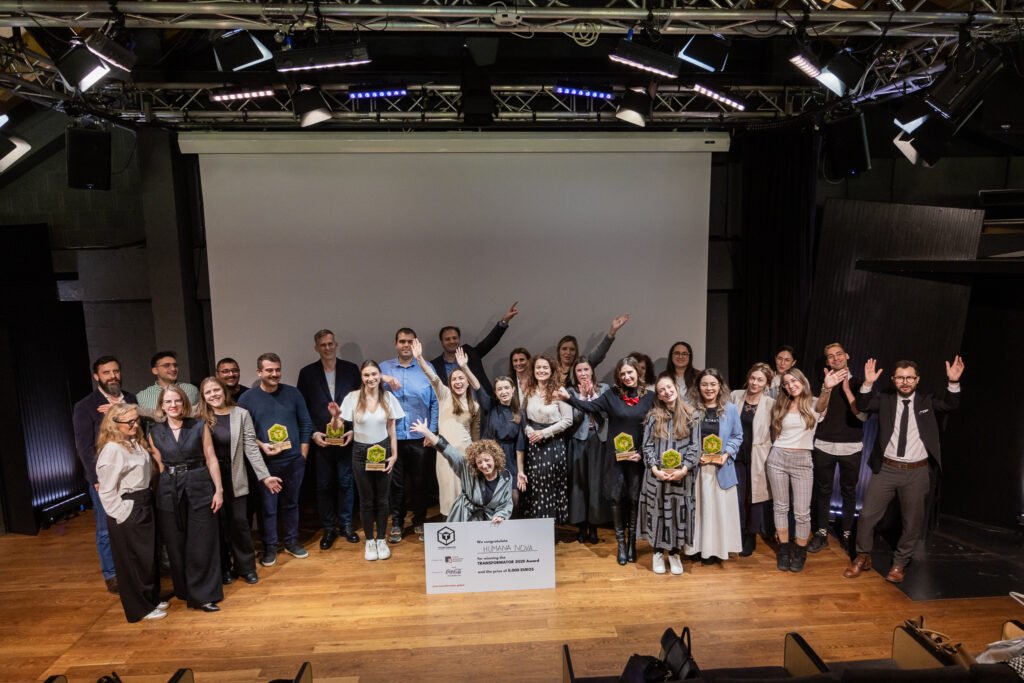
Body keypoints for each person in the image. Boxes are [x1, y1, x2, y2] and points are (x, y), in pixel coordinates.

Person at [843, 356, 964, 584]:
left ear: (917, 380)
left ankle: (900, 562)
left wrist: (953, 382)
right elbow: (863, 405)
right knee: (867, 516)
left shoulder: (927, 401)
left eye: (909, 378)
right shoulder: (885, 400)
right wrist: (868, 383)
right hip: (886, 469)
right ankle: (862, 556)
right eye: (900, 378)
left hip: (916, 472)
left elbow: (950, 404)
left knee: (912, 522)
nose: (905, 382)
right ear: (893, 380)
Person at [558, 356, 654, 565]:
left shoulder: (650, 397)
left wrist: (642, 452)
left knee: (633, 499)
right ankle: (621, 544)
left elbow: (655, 429)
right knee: (616, 498)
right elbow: (590, 406)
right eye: (623, 373)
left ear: (638, 373)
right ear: (618, 376)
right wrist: (569, 398)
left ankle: (631, 544)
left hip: (637, 456)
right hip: (615, 456)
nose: (627, 377)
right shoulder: (611, 395)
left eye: (630, 372)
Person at [196, 377, 282, 586]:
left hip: (235, 475)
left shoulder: (241, 414)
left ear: (224, 391)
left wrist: (265, 476)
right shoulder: (197, 416)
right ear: (203, 397)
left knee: (240, 523)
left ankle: (246, 568)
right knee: (216, 526)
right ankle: (224, 568)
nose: (213, 395)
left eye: (216, 390)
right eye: (208, 392)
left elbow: (251, 447)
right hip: (207, 479)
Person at [148, 385, 224, 612]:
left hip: (199, 485)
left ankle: (204, 595)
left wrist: (218, 490)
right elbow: (158, 466)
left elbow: (211, 458)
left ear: (184, 403)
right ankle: (184, 589)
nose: (173, 405)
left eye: (177, 401)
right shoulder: (154, 431)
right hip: (168, 489)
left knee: (202, 542)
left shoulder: (199, 426)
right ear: (162, 406)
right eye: (168, 402)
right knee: (175, 543)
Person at [238, 353, 313, 567]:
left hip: (294, 461)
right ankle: (270, 547)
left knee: (291, 504)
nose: (274, 374)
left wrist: (303, 455)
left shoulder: (293, 393)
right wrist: (262, 445)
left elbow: (306, 425)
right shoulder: (247, 399)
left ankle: (291, 542)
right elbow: (244, 433)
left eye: (277, 369)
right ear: (259, 372)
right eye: (269, 370)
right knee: (268, 507)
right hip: (265, 465)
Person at [767, 367, 845, 572]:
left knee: (802, 512)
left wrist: (827, 388)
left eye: (794, 381)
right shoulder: (780, 404)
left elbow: (822, 406)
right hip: (777, 457)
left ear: (802, 381)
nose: (790, 386)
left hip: (802, 460)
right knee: (780, 507)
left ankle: (800, 551)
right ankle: (784, 549)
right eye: (786, 383)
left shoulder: (814, 402)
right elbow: (775, 433)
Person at [95, 403, 168, 622]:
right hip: (129, 507)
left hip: (144, 501)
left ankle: (150, 598)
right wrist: (123, 513)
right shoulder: (112, 450)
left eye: (136, 420)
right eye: (129, 422)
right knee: (133, 559)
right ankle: (140, 608)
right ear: (114, 424)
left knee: (147, 557)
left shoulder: (134, 442)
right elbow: (106, 491)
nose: (135, 425)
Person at [72, 355, 138, 594]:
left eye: (116, 371)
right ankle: (111, 574)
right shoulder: (85, 406)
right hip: (105, 476)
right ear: (96, 376)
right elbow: (84, 447)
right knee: (105, 526)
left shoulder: (130, 399)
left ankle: (134, 567)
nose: (112, 376)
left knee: (132, 521)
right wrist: (96, 479)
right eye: (106, 372)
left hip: (133, 474)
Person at [297, 329, 362, 549]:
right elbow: (303, 409)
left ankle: (346, 525)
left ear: (336, 344)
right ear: (316, 348)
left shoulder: (351, 370)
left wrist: (353, 430)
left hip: (346, 438)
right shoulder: (307, 373)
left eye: (330, 343)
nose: (327, 348)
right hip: (321, 440)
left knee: (346, 482)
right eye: (323, 345)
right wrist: (313, 433)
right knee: (323, 485)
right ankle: (328, 528)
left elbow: (359, 403)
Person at [336, 360, 405, 561]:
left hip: (383, 450)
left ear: (379, 375)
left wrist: (394, 455)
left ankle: (381, 540)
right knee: (366, 500)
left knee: (383, 499)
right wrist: (334, 416)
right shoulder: (352, 397)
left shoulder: (388, 397)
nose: (371, 378)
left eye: (374, 374)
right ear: (361, 377)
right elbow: (337, 426)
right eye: (366, 375)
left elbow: (392, 430)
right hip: (360, 452)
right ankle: (369, 541)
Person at [379, 328, 439, 544]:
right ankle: (397, 522)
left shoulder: (426, 367)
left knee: (420, 483)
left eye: (410, 342)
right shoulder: (384, 367)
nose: (406, 345)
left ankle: (419, 520)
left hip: (419, 436)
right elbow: (366, 381)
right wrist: (383, 377)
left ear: (416, 344)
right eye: (402, 341)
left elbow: (435, 401)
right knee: (396, 484)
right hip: (392, 436)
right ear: (396, 344)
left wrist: (432, 432)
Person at [808, 343, 866, 554]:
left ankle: (847, 533)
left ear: (847, 356)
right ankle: (822, 532)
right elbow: (818, 411)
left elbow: (863, 415)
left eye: (839, 354)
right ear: (827, 361)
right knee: (822, 491)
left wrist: (848, 389)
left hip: (851, 446)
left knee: (849, 491)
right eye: (830, 356)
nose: (835, 358)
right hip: (824, 444)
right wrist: (828, 388)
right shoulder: (823, 383)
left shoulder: (860, 383)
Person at [414, 340, 483, 518]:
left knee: (465, 492)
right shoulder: (444, 396)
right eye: (454, 379)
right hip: (445, 454)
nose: (458, 382)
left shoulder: (474, 405)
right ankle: (450, 526)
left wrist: (464, 367)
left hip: (465, 453)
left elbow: (475, 435)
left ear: (467, 382)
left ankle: (467, 525)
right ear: (450, 383)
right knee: (447, 493)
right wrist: (419, 358)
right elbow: (433, 378)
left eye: (461, 378)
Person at [640, 374, 699, 575]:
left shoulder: (692, 415)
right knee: (657, 513)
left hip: (681, 477)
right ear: (658, 395)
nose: (666, 392)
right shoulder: (653, 416)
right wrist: (655, 469)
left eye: (669, 387)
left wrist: (684, 469)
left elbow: (695, 447)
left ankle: (674, 553)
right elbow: (647, 445)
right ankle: (657, 552)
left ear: (676, 387)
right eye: (661, 390)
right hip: (657, 476)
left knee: (677, 514)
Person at [684, 369, 744, 564]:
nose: (709, 388)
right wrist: (694, 457)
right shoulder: (689, 408)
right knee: (700, 511)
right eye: (704, 384)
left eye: (713, 384)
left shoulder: (730, 409)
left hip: (721, 468)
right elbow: (683, 436)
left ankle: (715, 550)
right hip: (698, 469)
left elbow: (737, 436)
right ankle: (696, 549)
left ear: (720, 386)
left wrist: (725, 455)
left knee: (718, 511)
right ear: (698, 387)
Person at [411, 419, 513, 523]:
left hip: (490, 521)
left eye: (487, 460)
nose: (484, 465)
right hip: (465, 517)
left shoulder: (505, 477)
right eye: (479, 462)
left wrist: (500, 516)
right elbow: (449, 451)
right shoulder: (467, 469)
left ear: (495, 459)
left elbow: (506, 504)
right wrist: (427, 432)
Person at [519, 355, 574, 524]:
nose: (541, 370)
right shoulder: (528, 390)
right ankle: (537, 525)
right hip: (534, 443)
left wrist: (544, 433)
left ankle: (550, 526)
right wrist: (529, 431)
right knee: (536, 485)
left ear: (551, 371)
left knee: (549, 485)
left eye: (545, 368)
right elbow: (523, 416)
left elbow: (568, 420)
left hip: (553, 443)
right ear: (533, 370)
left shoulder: (559, 391)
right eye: (538, 367)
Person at [729, 362, 776, 556]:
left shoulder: (770, 403)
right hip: (736, 456)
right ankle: (738, 532)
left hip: (758, 457)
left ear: (767, 384)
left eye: (760, 380)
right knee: (738, 497)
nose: (755, 383)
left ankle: (751, 535)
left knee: (755, 498)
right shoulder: (735, 396)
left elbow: (775, 431)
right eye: (753, 378)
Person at [430, 302, 519, 398]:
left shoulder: (470, 353)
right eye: (447, 339)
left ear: (459, 339)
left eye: (454, 338)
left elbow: (489, 342)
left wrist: (505, 321)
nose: (452, 341)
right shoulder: (434, 365)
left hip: (480, 404)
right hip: (452, 406)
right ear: (442, 342)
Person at [565, 358, 610, 544]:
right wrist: (582, 398)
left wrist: (594, 398)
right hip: (579, 440)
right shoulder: (571, 392)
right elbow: (574, 419)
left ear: (592, 371)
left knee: (595, 483)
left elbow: (607, 413)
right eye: (579, 370)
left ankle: (594, 526)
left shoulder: (604, 389)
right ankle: (581, 526)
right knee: (580, 484)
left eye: (586, 369)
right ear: (574, 374)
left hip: (598, 439)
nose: (583, 373)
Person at [481, 376, 524, 512]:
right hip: (492, 456)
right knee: (493, 497)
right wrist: (465, 367)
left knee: (514, 497)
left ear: (513, 389)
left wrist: (520, 471)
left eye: (506, 388)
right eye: (499, 389)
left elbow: (520, 446)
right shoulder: (491, 408)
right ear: (495, 392)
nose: (503, 391)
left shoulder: (519, 413)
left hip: (510, 458)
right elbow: (478, 388)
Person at [553, 314, 630, 387]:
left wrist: (612, 332)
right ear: (559, 351)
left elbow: (599, 353)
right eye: (564, 349)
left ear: (576, 352)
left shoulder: (581, 365)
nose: (568, 352)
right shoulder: (551, 368)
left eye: (572, 349)